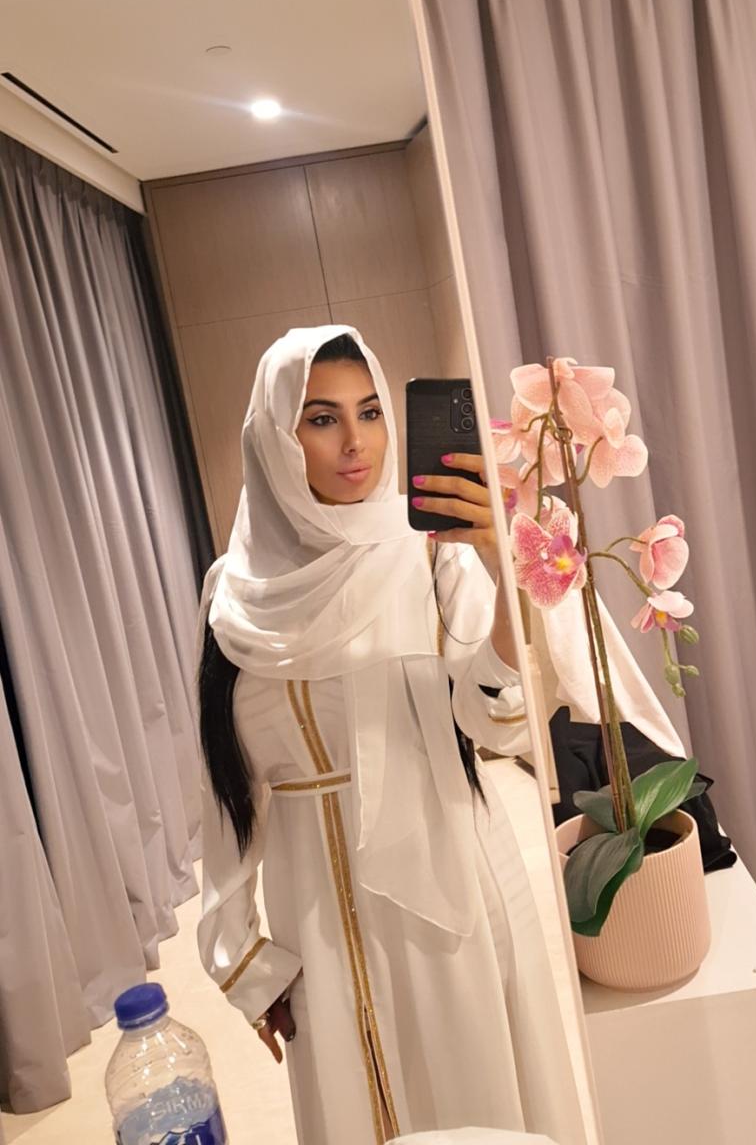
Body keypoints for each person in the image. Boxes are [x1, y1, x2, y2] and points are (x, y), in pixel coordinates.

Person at [196, 325, 589, 1145]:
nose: (356, 441)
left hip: (447, 885)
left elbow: (494, 717)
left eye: (370, 412)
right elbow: (223, 786)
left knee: (473, 1097)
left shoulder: (431, 556)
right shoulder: (234, 596)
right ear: (274, 438)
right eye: (321, 418)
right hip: (313, 906)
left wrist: (500, 567)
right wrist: (241, 955)